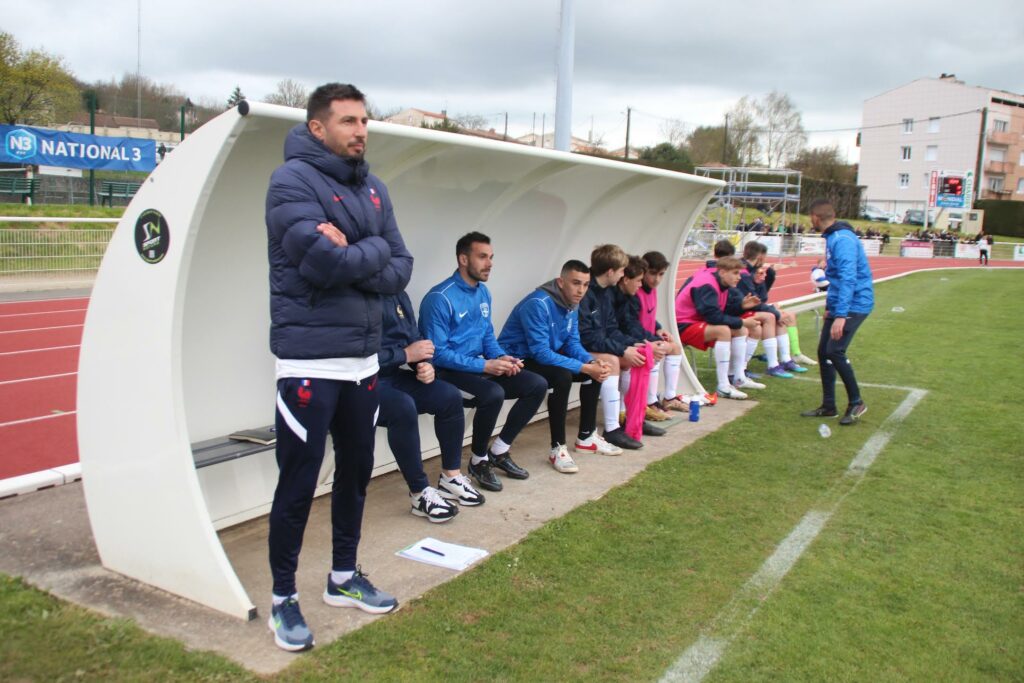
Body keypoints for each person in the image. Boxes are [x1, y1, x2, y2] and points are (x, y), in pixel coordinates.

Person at [264, 83, 408, 652]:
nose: (361, 131)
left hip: (363, 361)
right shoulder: (290, 180)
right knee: (299, 482)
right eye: (349, 121)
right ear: (318, 128)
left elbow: (403, 264)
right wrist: (361, 253)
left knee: (355, 473)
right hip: (309, 361)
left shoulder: (374, 187)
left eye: (365, 120)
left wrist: (356, 248)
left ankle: (342, 578)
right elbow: (322, 261)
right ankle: (282, 599)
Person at [419, 232, 547, 492]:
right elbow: (437, 354)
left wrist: (500, 356)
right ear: (463, 259)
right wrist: (485, 366)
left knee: (536, 384)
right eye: (482, 257)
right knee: (493, 393)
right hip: (446, 373)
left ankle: (498, 451)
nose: (489, 263)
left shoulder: (483, 292)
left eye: (491, 257)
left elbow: (487, 335)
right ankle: (478, 461)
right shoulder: (440, 298)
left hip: (476, 367)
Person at [498, 259, 622, 473]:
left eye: (585, 284)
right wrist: (584, 367)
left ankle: (586, 437)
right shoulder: (538, 303)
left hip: (541, 357)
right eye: (575, 283)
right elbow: (541, 353)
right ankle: (557, 448)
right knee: (562, 376)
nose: (581, 290)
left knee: (594, 372)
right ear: (561, 282)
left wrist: (591, 362)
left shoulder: (572, 304)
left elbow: (572, 343)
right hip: (516, 359)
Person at [377, 290, 485, 522]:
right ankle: (419, 493)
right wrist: (405, 355)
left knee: (448, 395)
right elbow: (355, 355)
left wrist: (423, 365)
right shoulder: (352, 296)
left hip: (392, 374)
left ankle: (450, 477)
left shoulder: (397, 294)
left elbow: (414, 338)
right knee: (402, 406)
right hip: (360, 383)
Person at [800, 199, 873, 426]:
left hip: (855, 304)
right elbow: (836, 278)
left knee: (835, 350)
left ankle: (856, 402)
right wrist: (832, 308)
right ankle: (829, 405)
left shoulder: (842, 240)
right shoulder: (835, 237)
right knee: (824, 351)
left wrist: (840, 314)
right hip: (841, 304)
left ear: (815, 217)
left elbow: (848, 278)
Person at [578, 245, 655, 450]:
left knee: (633, 355)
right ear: (611, 271)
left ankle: (628, 418)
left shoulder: (605, 293)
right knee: (613, 360)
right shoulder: (586, 292)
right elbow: (586, 336)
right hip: (575, 348)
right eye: (622, 270)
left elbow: (611, 329)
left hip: (593, 345)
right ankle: (611, 430)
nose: (623, 275)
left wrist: (630, 345)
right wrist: (621, 350)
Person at [675, 256, 760, 400]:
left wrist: (741, 307)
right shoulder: (707, 284)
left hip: (696, 322)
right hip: (682, 325)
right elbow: (713, 318)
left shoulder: (721, 283)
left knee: (741, 330)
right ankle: (723, 386)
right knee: (724, 331)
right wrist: (743, 321)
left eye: (739, 273)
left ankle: (738, 377)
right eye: (735, 273)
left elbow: (719, 312)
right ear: (721, 272)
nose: (739, 277)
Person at [638, 250, 688, 411]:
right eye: (653, 274)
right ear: (643, 271)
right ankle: (650, 401)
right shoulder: (635, 291)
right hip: (635, 338)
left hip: (647, 336)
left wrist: (659, 329)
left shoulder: (652, 289)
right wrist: (653, 338)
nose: (657, 279)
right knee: (659, 349)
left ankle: (669, 397)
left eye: (661, 274)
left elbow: (649, 315)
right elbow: (631, 322)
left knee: (675, 348)